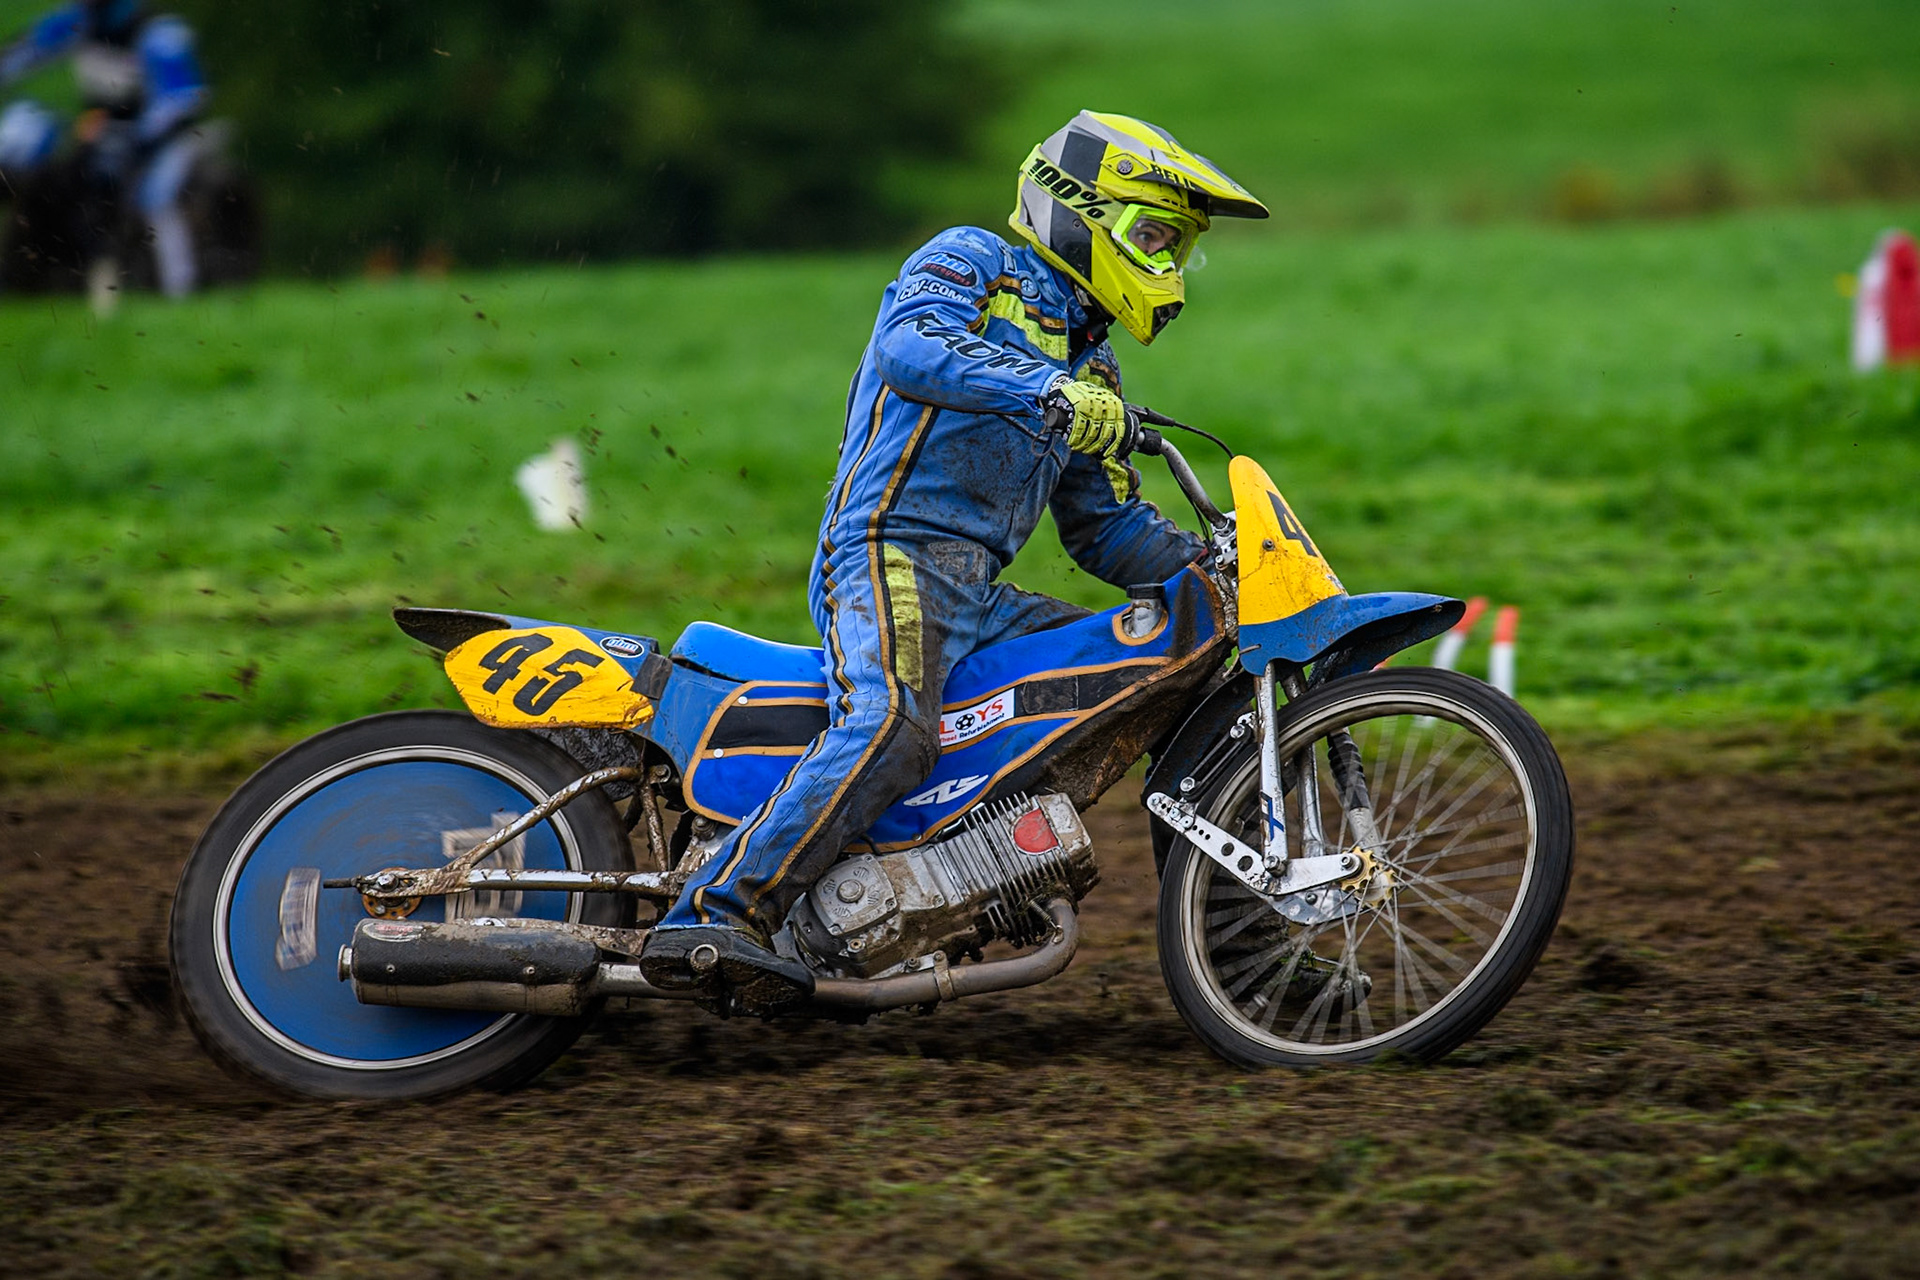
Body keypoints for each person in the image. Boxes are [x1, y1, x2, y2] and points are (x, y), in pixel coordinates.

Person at [639, 110, 1270, 1013]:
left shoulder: (1091, 362)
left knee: (1168, 668)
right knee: (895, 721)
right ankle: (716, 914)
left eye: (1180, 248)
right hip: (886, 552)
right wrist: (1043, 389)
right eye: (1158, 237)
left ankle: (1242, 954)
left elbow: (1101, 530)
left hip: (978, 592)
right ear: (1086, 211)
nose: (1168, 265)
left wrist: (1214, 572)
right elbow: (911, 349)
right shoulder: (974, 259)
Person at [0, 0, 209, 296]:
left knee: (156, 198)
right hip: (99, 135)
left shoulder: (159, 34)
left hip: (160, 139)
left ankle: (179, 286)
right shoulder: (77, 22)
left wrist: (137, 135)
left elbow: (184, 100)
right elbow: (27, 52)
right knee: (57, 184)